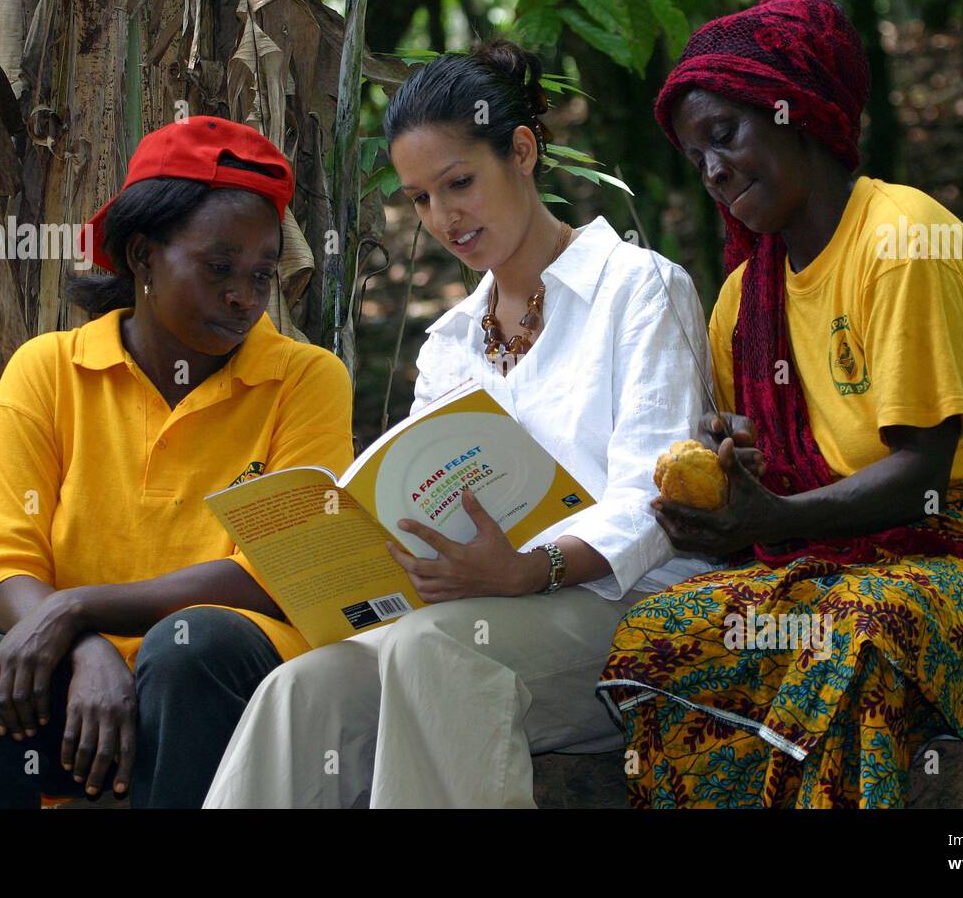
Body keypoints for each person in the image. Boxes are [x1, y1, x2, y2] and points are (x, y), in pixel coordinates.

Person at [595, 0, 963, 808]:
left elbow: (921, 476)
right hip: (831, 557)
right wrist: (736, 465)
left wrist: (771, 518)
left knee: (857, 638)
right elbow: (770, 455)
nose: (710, 169)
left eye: (723, 134)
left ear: (796, 110)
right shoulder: (745, 298)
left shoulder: (904, 240)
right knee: (656, 635)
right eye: (694, 155)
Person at [204, 40, 718, 808]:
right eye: (418, 199)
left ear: (520, 151)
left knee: (431, 650)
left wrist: (528, 570)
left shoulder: (639, 288)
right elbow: (415, 499)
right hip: (478, 612)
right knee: (301, 688)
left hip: (630, 611)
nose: (444, 218)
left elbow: (655, 500)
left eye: (459, 183)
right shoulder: (451, 341)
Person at [0, 117, 355, 808]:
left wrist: (80, 609)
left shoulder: (305, 380)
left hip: (231, 695)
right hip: (76, 693)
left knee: (190, 647)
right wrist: (81, 641)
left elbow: (282, 571)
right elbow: (1, 568)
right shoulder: (49, 370)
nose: (243, 295)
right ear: (142, 257)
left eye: (262, 273)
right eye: (218, 267)